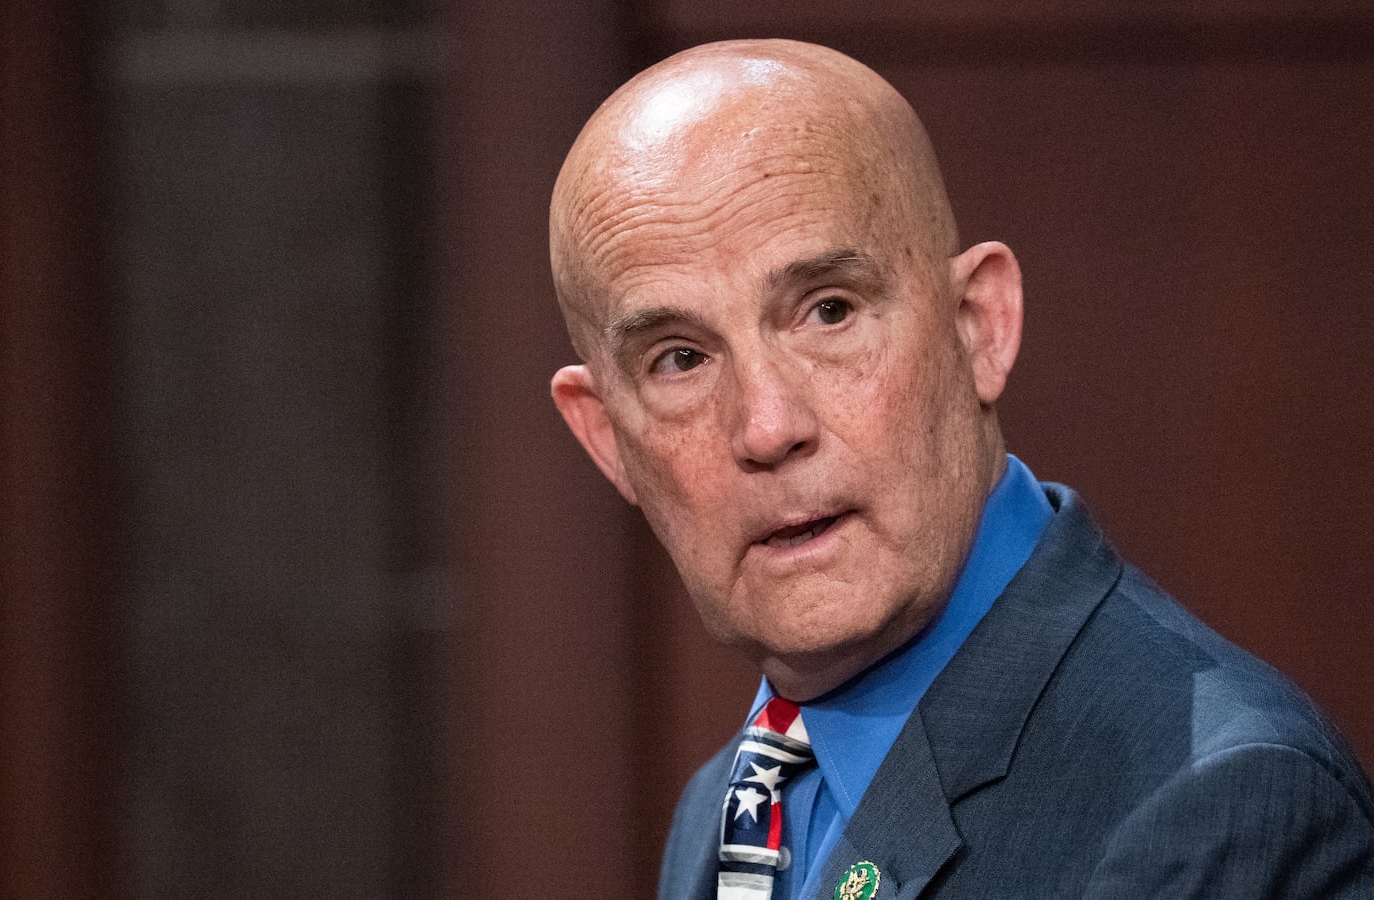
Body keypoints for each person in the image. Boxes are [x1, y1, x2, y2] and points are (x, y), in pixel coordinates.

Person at [545, 38, 1374, 900]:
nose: (767, 426)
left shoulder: (1219, 803)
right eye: (679, 360)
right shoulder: (727, 810)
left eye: (829, 311)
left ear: (979, 325)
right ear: (608, 439)